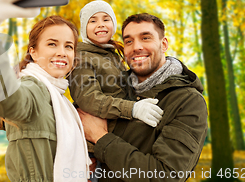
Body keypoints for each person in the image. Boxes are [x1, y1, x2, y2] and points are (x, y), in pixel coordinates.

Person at [0, 0, 90, 182]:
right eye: (52, 44)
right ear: (33, 52)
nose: (62, 52)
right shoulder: (34, 89)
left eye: (69, 46)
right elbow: (11, 101)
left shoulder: (61, 99)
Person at [77, 13, 208, 182]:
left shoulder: (187, 101)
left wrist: (100, 137)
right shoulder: (113, 87)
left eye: (146, 38)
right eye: (129, 41)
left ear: (164, 44)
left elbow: (164, 176)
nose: (136, 47)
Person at [69, 1, 164, 181]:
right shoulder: (82, 58)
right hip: (93, 150)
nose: (101, 25)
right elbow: (89, 99)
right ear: (84, 28)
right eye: (93, 21)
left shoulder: (112, 54)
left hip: (116, 139)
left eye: (106, 19)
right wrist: (132, 109)